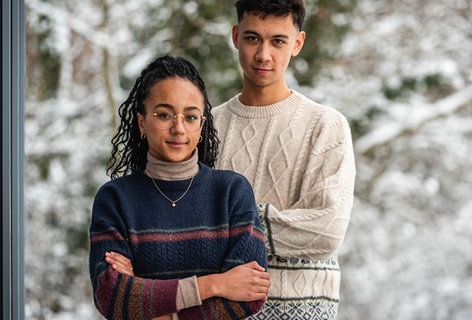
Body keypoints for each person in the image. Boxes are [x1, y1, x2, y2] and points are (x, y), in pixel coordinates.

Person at [88, 55, 270, 320]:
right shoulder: (115, 198)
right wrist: (214, 285)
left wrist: (153, 307)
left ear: (202, 124)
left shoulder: (231, 192)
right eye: (164, 115)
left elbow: (250, 294)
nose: (178, 128)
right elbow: (111, 296)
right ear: (141, 122)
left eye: (191, 116)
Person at [211, 1, 356, 319]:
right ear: (235, 36)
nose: (263, 54)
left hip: (302, 308)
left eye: (278, 41)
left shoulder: (325, 125)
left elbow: (326, 231)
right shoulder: (208, 126)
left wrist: (229, 224)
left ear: (297, 43)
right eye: (252, 38)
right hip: (218, 308)